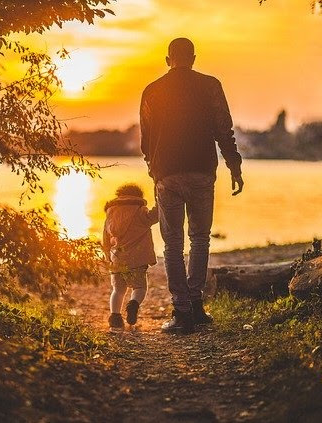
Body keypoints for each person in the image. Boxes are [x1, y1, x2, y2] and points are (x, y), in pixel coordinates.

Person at [140, 37, 244, 334]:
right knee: (200, 238)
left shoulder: (152, 90)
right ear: (194, 58)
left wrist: (153, 170)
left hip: (167, 175)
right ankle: (196, 305)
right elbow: (224, 129)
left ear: (167, 59)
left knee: (173, 244)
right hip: (201, 171)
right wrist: (234, 165)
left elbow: (146, 139)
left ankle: (182, 311)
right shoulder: (210, 85)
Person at [103, 183, 158, 332]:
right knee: (139, 287)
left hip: (116, 259)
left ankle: (115, 320)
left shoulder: (110, 213)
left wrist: (108, 257)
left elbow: (105, 240)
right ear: (138, 197)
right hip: (137, 259)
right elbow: (156, 216)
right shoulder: (140, 211)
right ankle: (133, 304)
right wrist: (159, 199)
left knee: (118, 290)